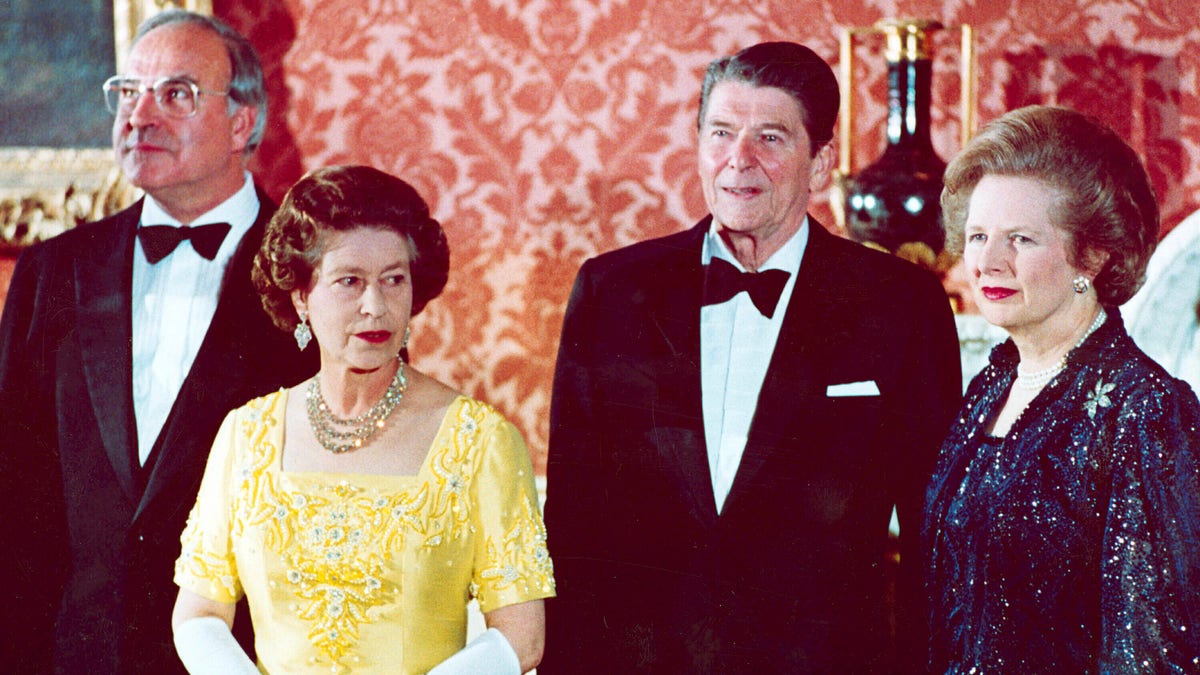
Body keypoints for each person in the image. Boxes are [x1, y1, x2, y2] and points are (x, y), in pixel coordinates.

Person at [543, 41, 962, 673]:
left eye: (770, 137)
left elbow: (935, 536)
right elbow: (571, 524)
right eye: (721, 133)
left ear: (820, 164)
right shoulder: (612, 291)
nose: (739, 161)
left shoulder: (901, 305)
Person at [0, 10, 316, 674]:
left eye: (174, 94)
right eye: (126, 92)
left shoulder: (318, 273)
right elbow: (14, 495)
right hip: (74, 654)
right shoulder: (51, 273)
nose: (139, 116)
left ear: (242, 122)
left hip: (248, 658)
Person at [170, 165, 554, 674]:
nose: (376, 306)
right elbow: (199, 614)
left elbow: (521, 638)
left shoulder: (479, 441)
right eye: (349, 281)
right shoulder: (248, 435)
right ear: (301, 296)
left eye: (393, 280)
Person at [924, 105, 1200, 672]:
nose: (987, 261)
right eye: (978, 236)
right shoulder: (990, 386)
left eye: (1021, 239)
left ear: (1094, 255)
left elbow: (1147, 651)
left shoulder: (1146, 410)